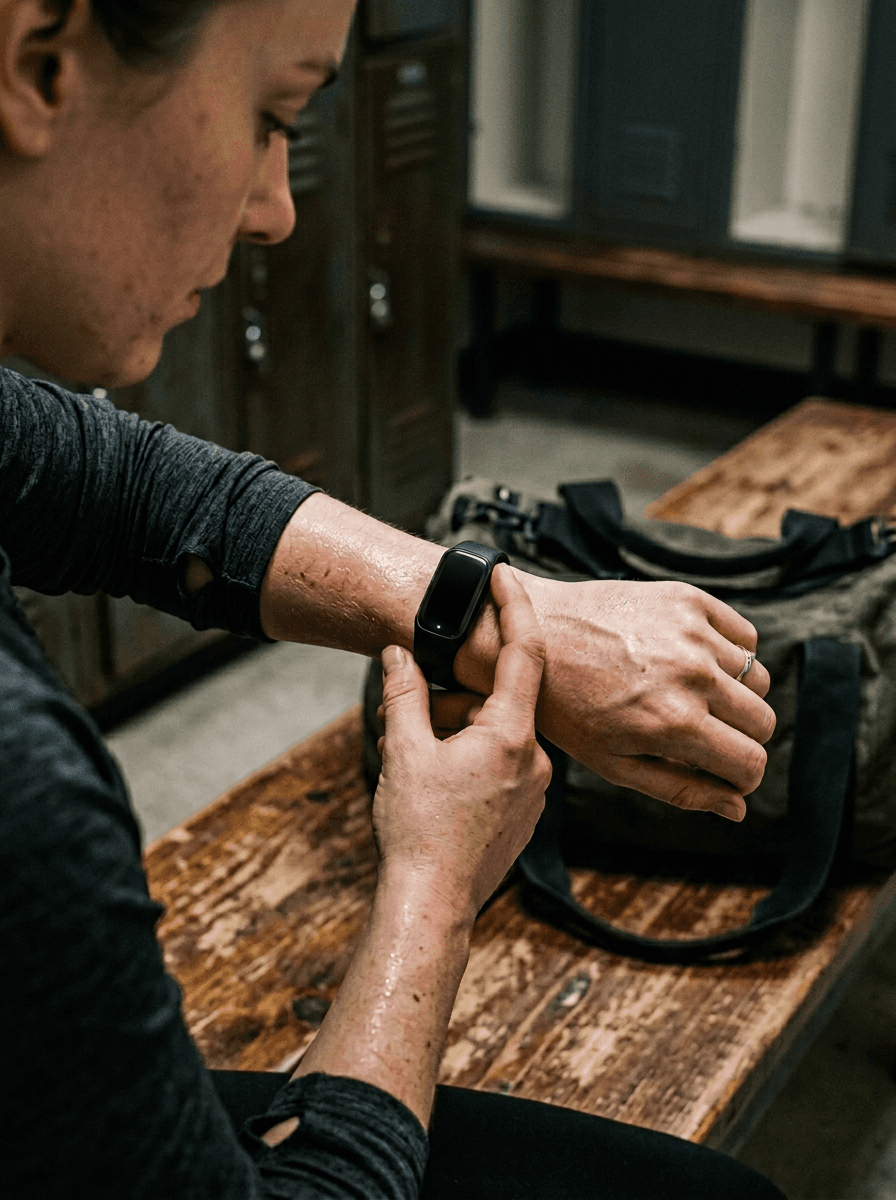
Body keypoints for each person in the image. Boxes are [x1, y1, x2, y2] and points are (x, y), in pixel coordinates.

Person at [0, 1, 784, 1196]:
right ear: (38, 63)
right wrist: (431, 878)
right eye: (270, 118)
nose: (277, 208)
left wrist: (515, 615)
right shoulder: (24, 785)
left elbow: (120, 490)